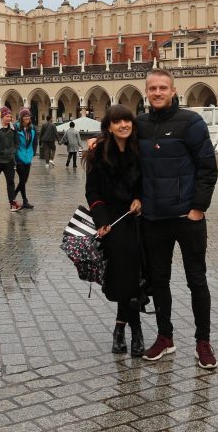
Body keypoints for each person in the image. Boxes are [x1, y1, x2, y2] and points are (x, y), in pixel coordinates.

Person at [136, 69, 218, 369]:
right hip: (154, 218)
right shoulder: (140, 124)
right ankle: (165, 337)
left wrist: (198, 207)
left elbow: (208, 167)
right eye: (152, 88)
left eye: (162, 88)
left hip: (187, 217)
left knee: (196, 280)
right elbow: (122, 152)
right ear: (146, 92)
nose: (157, 93)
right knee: (159, 281)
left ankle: (203, 342)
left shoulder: (191, 122)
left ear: (173, 91)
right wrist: (97, 142)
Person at [85, 104, 144, 357]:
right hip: (113, 223)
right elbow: (93, 191)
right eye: (117, 122)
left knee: (136, 277)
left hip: (139, 220)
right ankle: (136, 331)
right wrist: (101, 221)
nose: (123, 125)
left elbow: (147, 180)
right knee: (126, 277)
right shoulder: (99, 154)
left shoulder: (139, 150)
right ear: (108, 126)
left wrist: (140, 198)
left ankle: (120, 328)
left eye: (127, 121)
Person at [13, 108, 37, 209]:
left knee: (24, 180)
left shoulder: (32, 128)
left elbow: (35, 142)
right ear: (21, 117)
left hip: (28, 157)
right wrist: (14, 155)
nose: (27, 117)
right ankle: (24, 200)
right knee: (22, 179)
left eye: (28, 116)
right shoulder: (16, 128)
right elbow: (13, 142)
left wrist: (33, 153)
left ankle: (13, 196)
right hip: (18, 157)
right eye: (25, 116)